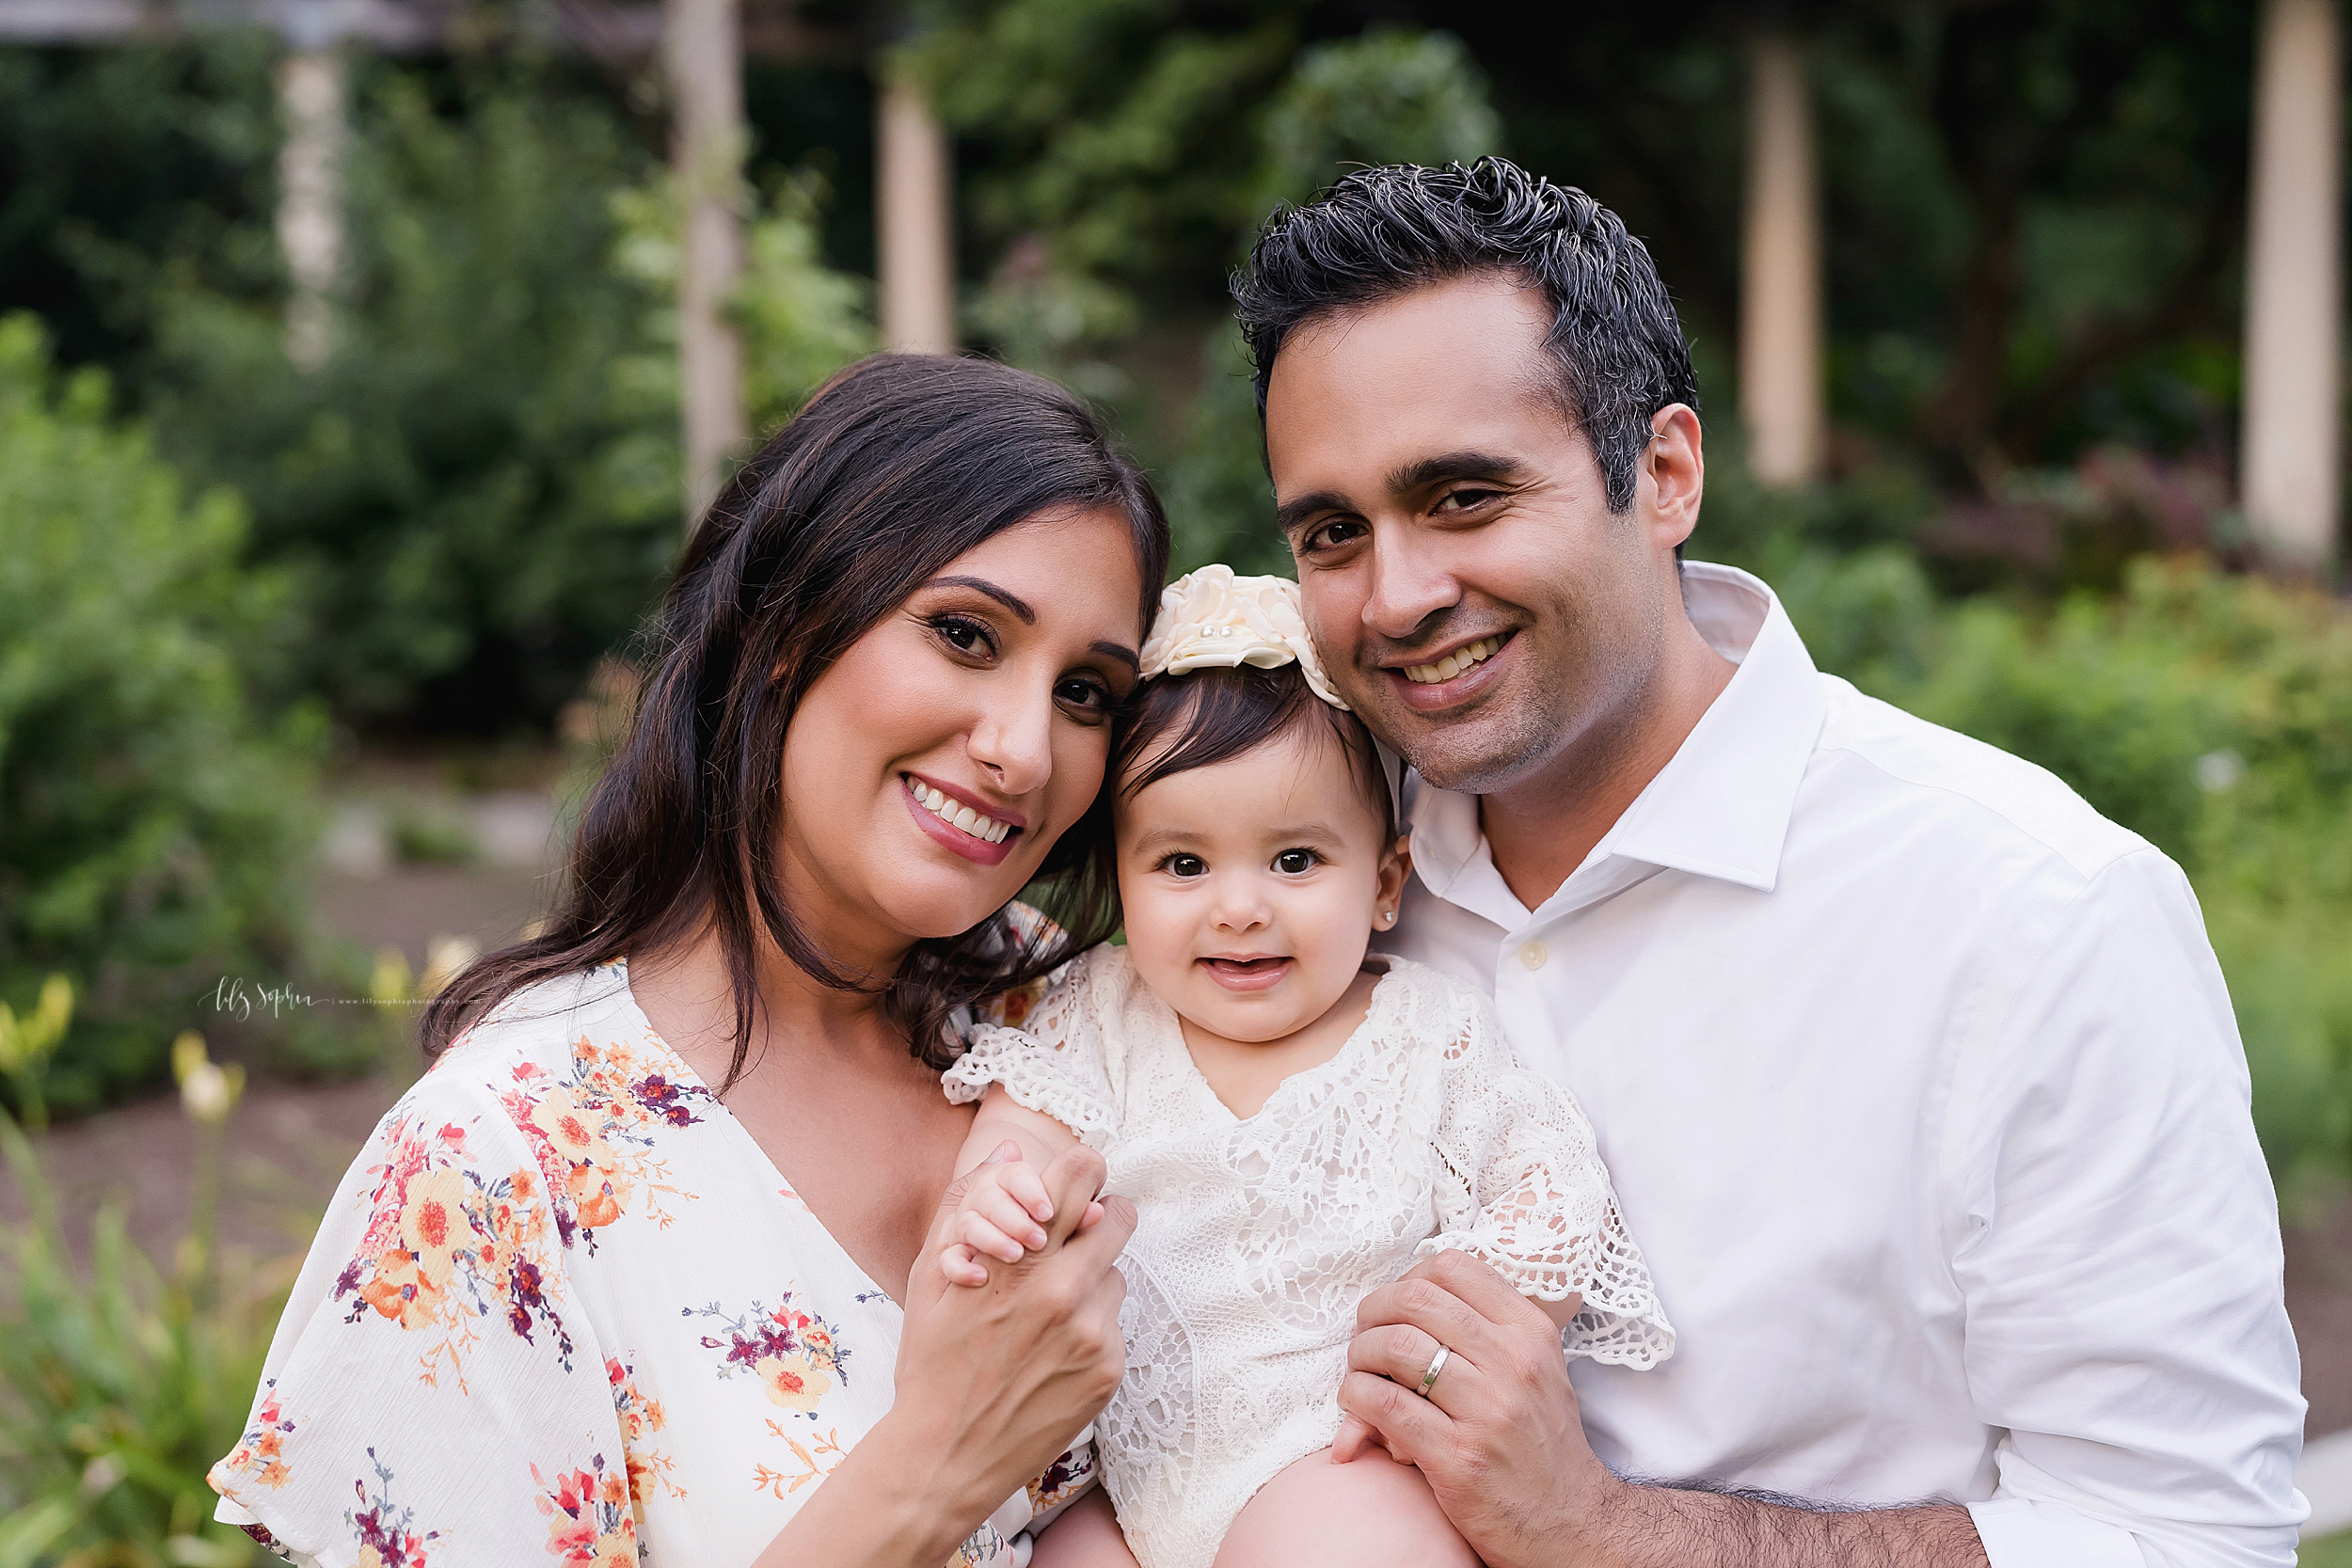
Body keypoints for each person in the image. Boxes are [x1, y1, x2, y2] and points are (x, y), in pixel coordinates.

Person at [1233, 158, 2310, 1568]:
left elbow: (2187, 1538)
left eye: (1465, 496)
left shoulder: (2031, 912)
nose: (1397, 593)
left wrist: (1602, 1531)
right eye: (1333, 532)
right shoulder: (1302, 894)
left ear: (1666, 472)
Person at [206, 353, 1168, 1567]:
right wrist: (937, 1462)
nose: (1026, 750)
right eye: (965, 634)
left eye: (1087, 690)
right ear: (782, 625)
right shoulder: (500, 1160)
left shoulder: (1086, 1013)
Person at [930, 566, 1674, 1568]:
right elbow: (1016, 1137)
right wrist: (993, 1200)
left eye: (1293, 860)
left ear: (1383, 881)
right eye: (1183, 864)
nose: (1238, 907)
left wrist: (1445, 1354)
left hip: (1348, 1457)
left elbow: (1549, 1192)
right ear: (1122, 879)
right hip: (1137, 1489)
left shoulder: (1426, 1029)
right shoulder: (1097, 1013)